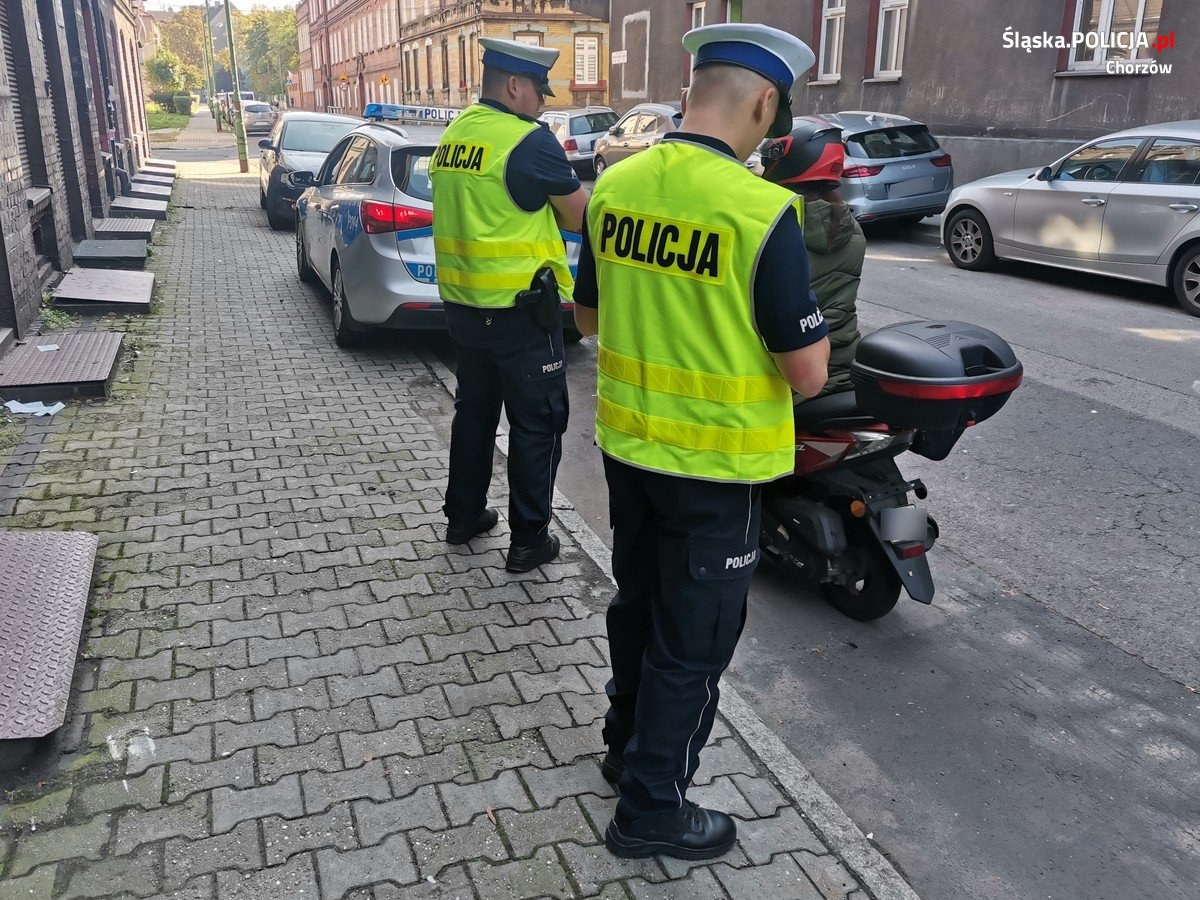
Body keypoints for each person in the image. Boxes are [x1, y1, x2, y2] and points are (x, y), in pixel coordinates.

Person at [573, 23, 831, 860]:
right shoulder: (761, 212)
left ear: (691, 93)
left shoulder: (615, 184)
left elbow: (587, 316)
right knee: (693, 643)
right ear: (764, 101)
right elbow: (808, 375)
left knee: (637, 605)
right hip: (716, 470)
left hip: (629, 448)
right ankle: (651, 810)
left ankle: (622, 750)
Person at [430, 36, 588, 573]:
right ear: (516, 85)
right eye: (539, 91)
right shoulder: (528, 142)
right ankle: (528, 540)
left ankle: (463, 516)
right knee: (537, 425)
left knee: (474, 414)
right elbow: (579, 218)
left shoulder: (454, 136)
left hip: (463, 309)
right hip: (521, 314)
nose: (543, 102)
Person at [761, 116, 865, 398]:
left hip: (795, 376)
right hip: (843, 365)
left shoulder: (773, 227)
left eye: (769, 159)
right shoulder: (849, 226)